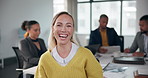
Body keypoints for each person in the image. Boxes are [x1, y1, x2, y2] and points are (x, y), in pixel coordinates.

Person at [34, 12, 103, 78]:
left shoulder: (86, 55)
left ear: (72, 30)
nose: (63, 30)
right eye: (59, 25)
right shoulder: (44, 59)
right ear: (53, 29)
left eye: (68, 26)